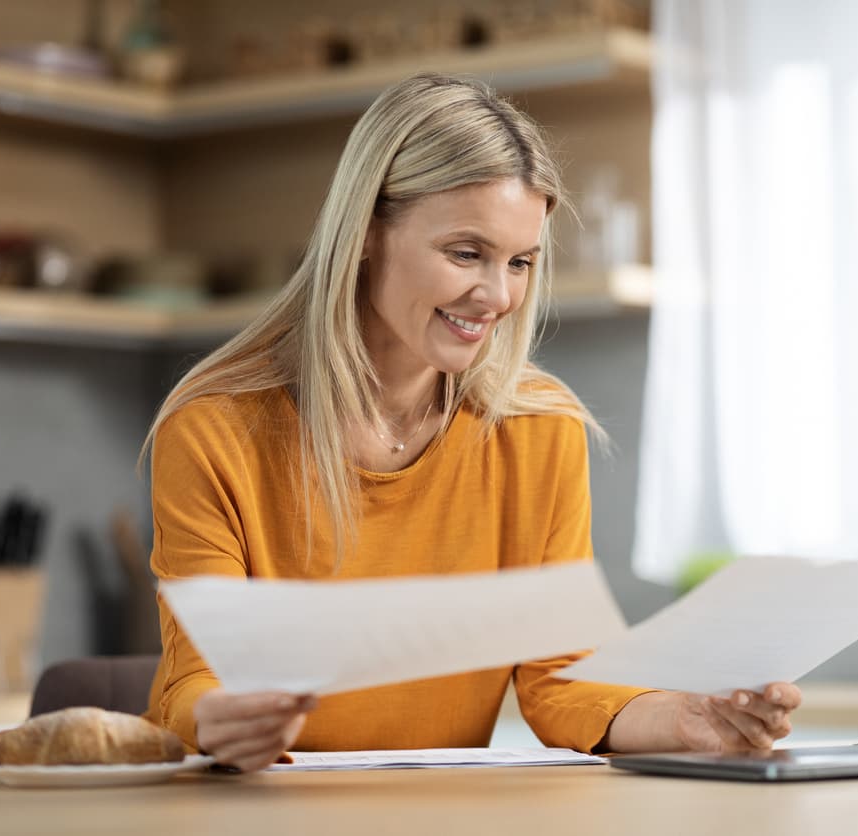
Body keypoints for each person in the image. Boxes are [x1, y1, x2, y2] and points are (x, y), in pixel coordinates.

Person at [141, 72, 801, 773]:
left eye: (520, 262)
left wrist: (686, 717)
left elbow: (562, 681)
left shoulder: (537, 432)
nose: (496, 295)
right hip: (244, 810)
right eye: (466, 253)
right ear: (367, 233)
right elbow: (195, 679)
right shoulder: (214, 430)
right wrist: (224, 721)